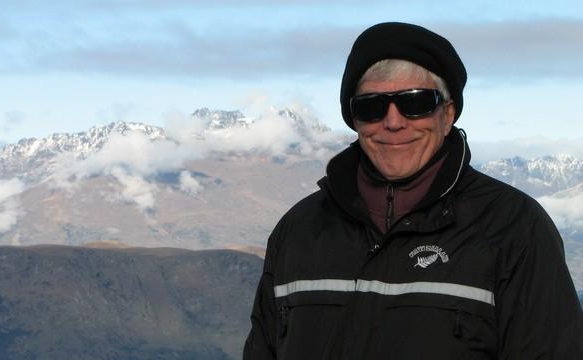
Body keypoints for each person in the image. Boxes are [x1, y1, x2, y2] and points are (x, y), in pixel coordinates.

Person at [243, 22, 583, 359]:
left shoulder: (513, 228)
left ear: (448, 114)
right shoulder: (298, 231)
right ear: (354, 118)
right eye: (372, 106)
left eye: (416, 102)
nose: (393, 122)